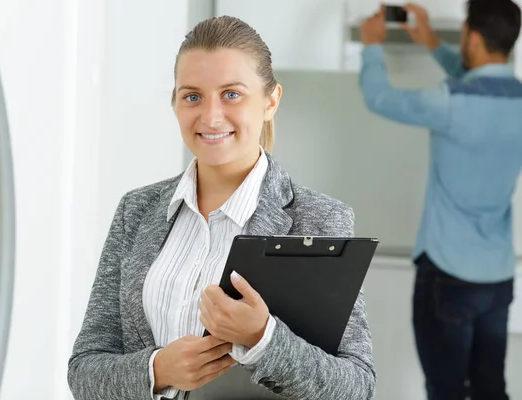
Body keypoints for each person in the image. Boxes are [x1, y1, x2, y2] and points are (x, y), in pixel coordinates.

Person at [68, 15, 375, 400]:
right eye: (192, 96)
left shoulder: (318, 219)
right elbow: (84, 369)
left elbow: (356, 385)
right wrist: (158, 369)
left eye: (231, 94)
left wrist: (264, 338)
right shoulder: (137, 210)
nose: (211, 117)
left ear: (270, 100)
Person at [359, 1, 522, 399]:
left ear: (474, 37)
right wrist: (432, 42)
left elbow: (379, 97)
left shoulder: (448, 101)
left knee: (445, 391)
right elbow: (479, 82)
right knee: (490, 389)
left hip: (447, 277)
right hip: (497, 276)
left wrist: (372, 46)